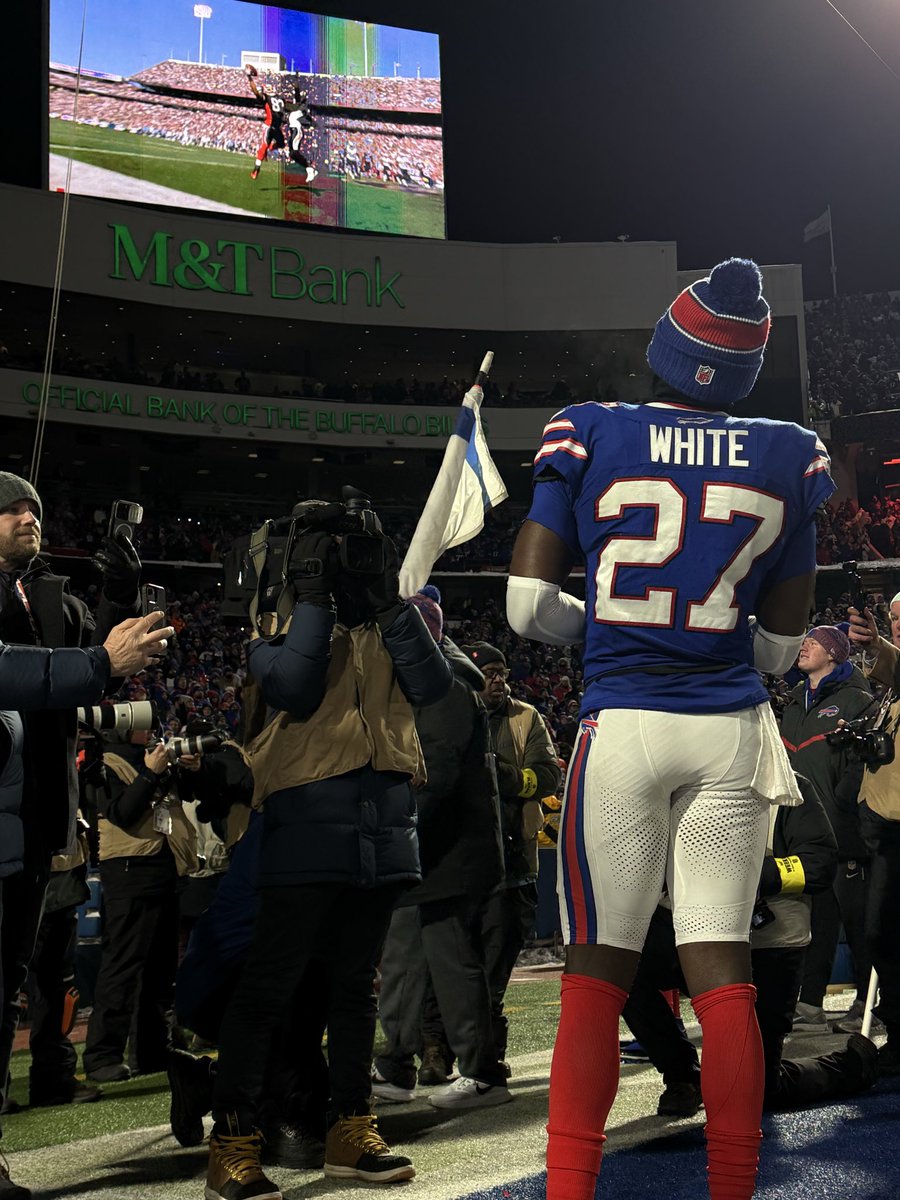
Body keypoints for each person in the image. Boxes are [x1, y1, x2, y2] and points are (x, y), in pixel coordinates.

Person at [506, 258, 835, 1200]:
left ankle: (569, 1188)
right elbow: (779, 651)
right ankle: (735, 1186)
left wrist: (606, 628)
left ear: (664, 350)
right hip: (728, 730)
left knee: (597, 974)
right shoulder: (789, 451)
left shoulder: (594, 430)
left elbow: (529, 606)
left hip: (625, 725)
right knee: (722, 966)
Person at [205, 505, 452, 1200]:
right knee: (269, 991)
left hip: (385, 829)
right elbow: (292, 686)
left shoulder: (391, 621)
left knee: (355, 991)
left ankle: (352, 1130)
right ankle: (233, 1145)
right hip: (305, 819)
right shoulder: (273, 619)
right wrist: (310, 597)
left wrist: (385, 602)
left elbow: (434, 689)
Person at [0, 612, 171, 1199]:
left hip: (34, 850)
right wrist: (98, 663)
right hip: (103, 866)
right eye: (15, 509)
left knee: (21, 986)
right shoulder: (109, 764)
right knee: (77, 975)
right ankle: (96, 1058)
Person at [622, 772, 879, 1115]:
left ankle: (850, 1067)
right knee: (619, 967)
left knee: (757, 1091)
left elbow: (817, 866)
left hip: (769, 947)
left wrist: (751, 876)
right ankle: (682, 1075)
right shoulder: (679, 788)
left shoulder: (790, 788)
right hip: (699, 939)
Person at [373, 589, 508, 1110]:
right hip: (426, 850)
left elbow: (435, 776)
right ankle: (395, 1064)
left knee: (451, 961)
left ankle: (483, 1071)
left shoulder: (447, 688)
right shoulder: (431, 682)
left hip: (449, 852)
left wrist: (390, 822)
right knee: (404, 959)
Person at [460, 642, 560, 1076]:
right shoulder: (451, 714)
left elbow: (547, 776)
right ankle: (437, 1053)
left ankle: (486, 1060)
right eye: (488, 673)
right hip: (460, 864)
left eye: (501, 672)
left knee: (495, 969)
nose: (497, 680)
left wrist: (502, 778)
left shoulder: (526, 717)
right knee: (453, 966)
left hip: (514, 865)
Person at [82, 730, 199, 1082]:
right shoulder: (102, 764)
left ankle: (151, 1050)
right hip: (130, 873)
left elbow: (190, 797)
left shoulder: (155, 758)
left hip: (164, 869)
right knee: (123, 964)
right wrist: (149, 773)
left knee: (161, 970)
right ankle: (102, 1055)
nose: (149, 725)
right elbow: (123, 813)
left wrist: (188, 769)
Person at [779, 625, 876, 1033]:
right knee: (813, 922)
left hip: (847, 831)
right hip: (804, 834)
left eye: (814, 642)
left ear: (834, 653)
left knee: (860, 922)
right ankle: (809, 1004)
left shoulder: (858, 700)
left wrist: (840, 804)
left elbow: (862, 763)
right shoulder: (792, 705)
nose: (804, 646)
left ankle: (869, 1004)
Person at [846, 597, 900, 1075]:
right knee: (880, 933)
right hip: (885, 830)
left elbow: (893, 663)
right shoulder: (886, 694)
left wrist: (877, 643)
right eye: (896, 619)